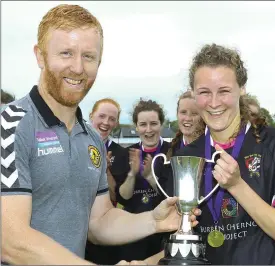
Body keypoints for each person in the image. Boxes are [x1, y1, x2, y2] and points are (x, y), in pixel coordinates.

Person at [0, 5, 200, 265]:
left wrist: (153, 220)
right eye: (66, 53)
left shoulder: (91, 139)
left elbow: (99, 222)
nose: (78, 67)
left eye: (89, 56)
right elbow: (11, 241)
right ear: (40, 55)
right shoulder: (10, 125)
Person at [146, 43, 275, 265]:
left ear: (241, 89)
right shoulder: (186, 158)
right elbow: (183, 240)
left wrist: (236, 185)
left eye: (224, 91)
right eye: (204, 92)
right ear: (193, 93)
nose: (214, 103)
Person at [114, 99, 171, 261]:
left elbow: (171, 195)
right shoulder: (125, 154)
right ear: (136, 127)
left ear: (161, 124)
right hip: (134, 229)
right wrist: (132, 174)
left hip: (163, 229)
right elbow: (123, 197)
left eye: (153, 123)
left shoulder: (171, 152)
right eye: (143, 124)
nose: (148, 130)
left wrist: (150, 178)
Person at [85, 98, 127, 265]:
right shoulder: (74, 145)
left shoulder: (121, 153)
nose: (106, 122)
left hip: (104, 228)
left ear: (116, 123)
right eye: (101, 116)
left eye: (112, 119)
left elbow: (117, 196)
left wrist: (105, 169)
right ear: (91, 116)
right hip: (76, 228)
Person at [166, 90, 205, 158]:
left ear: (202, 117)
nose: (188, 118)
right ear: (177, 114)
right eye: (183, 112)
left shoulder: (211, 148)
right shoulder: (169, 150)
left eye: (194, 113)